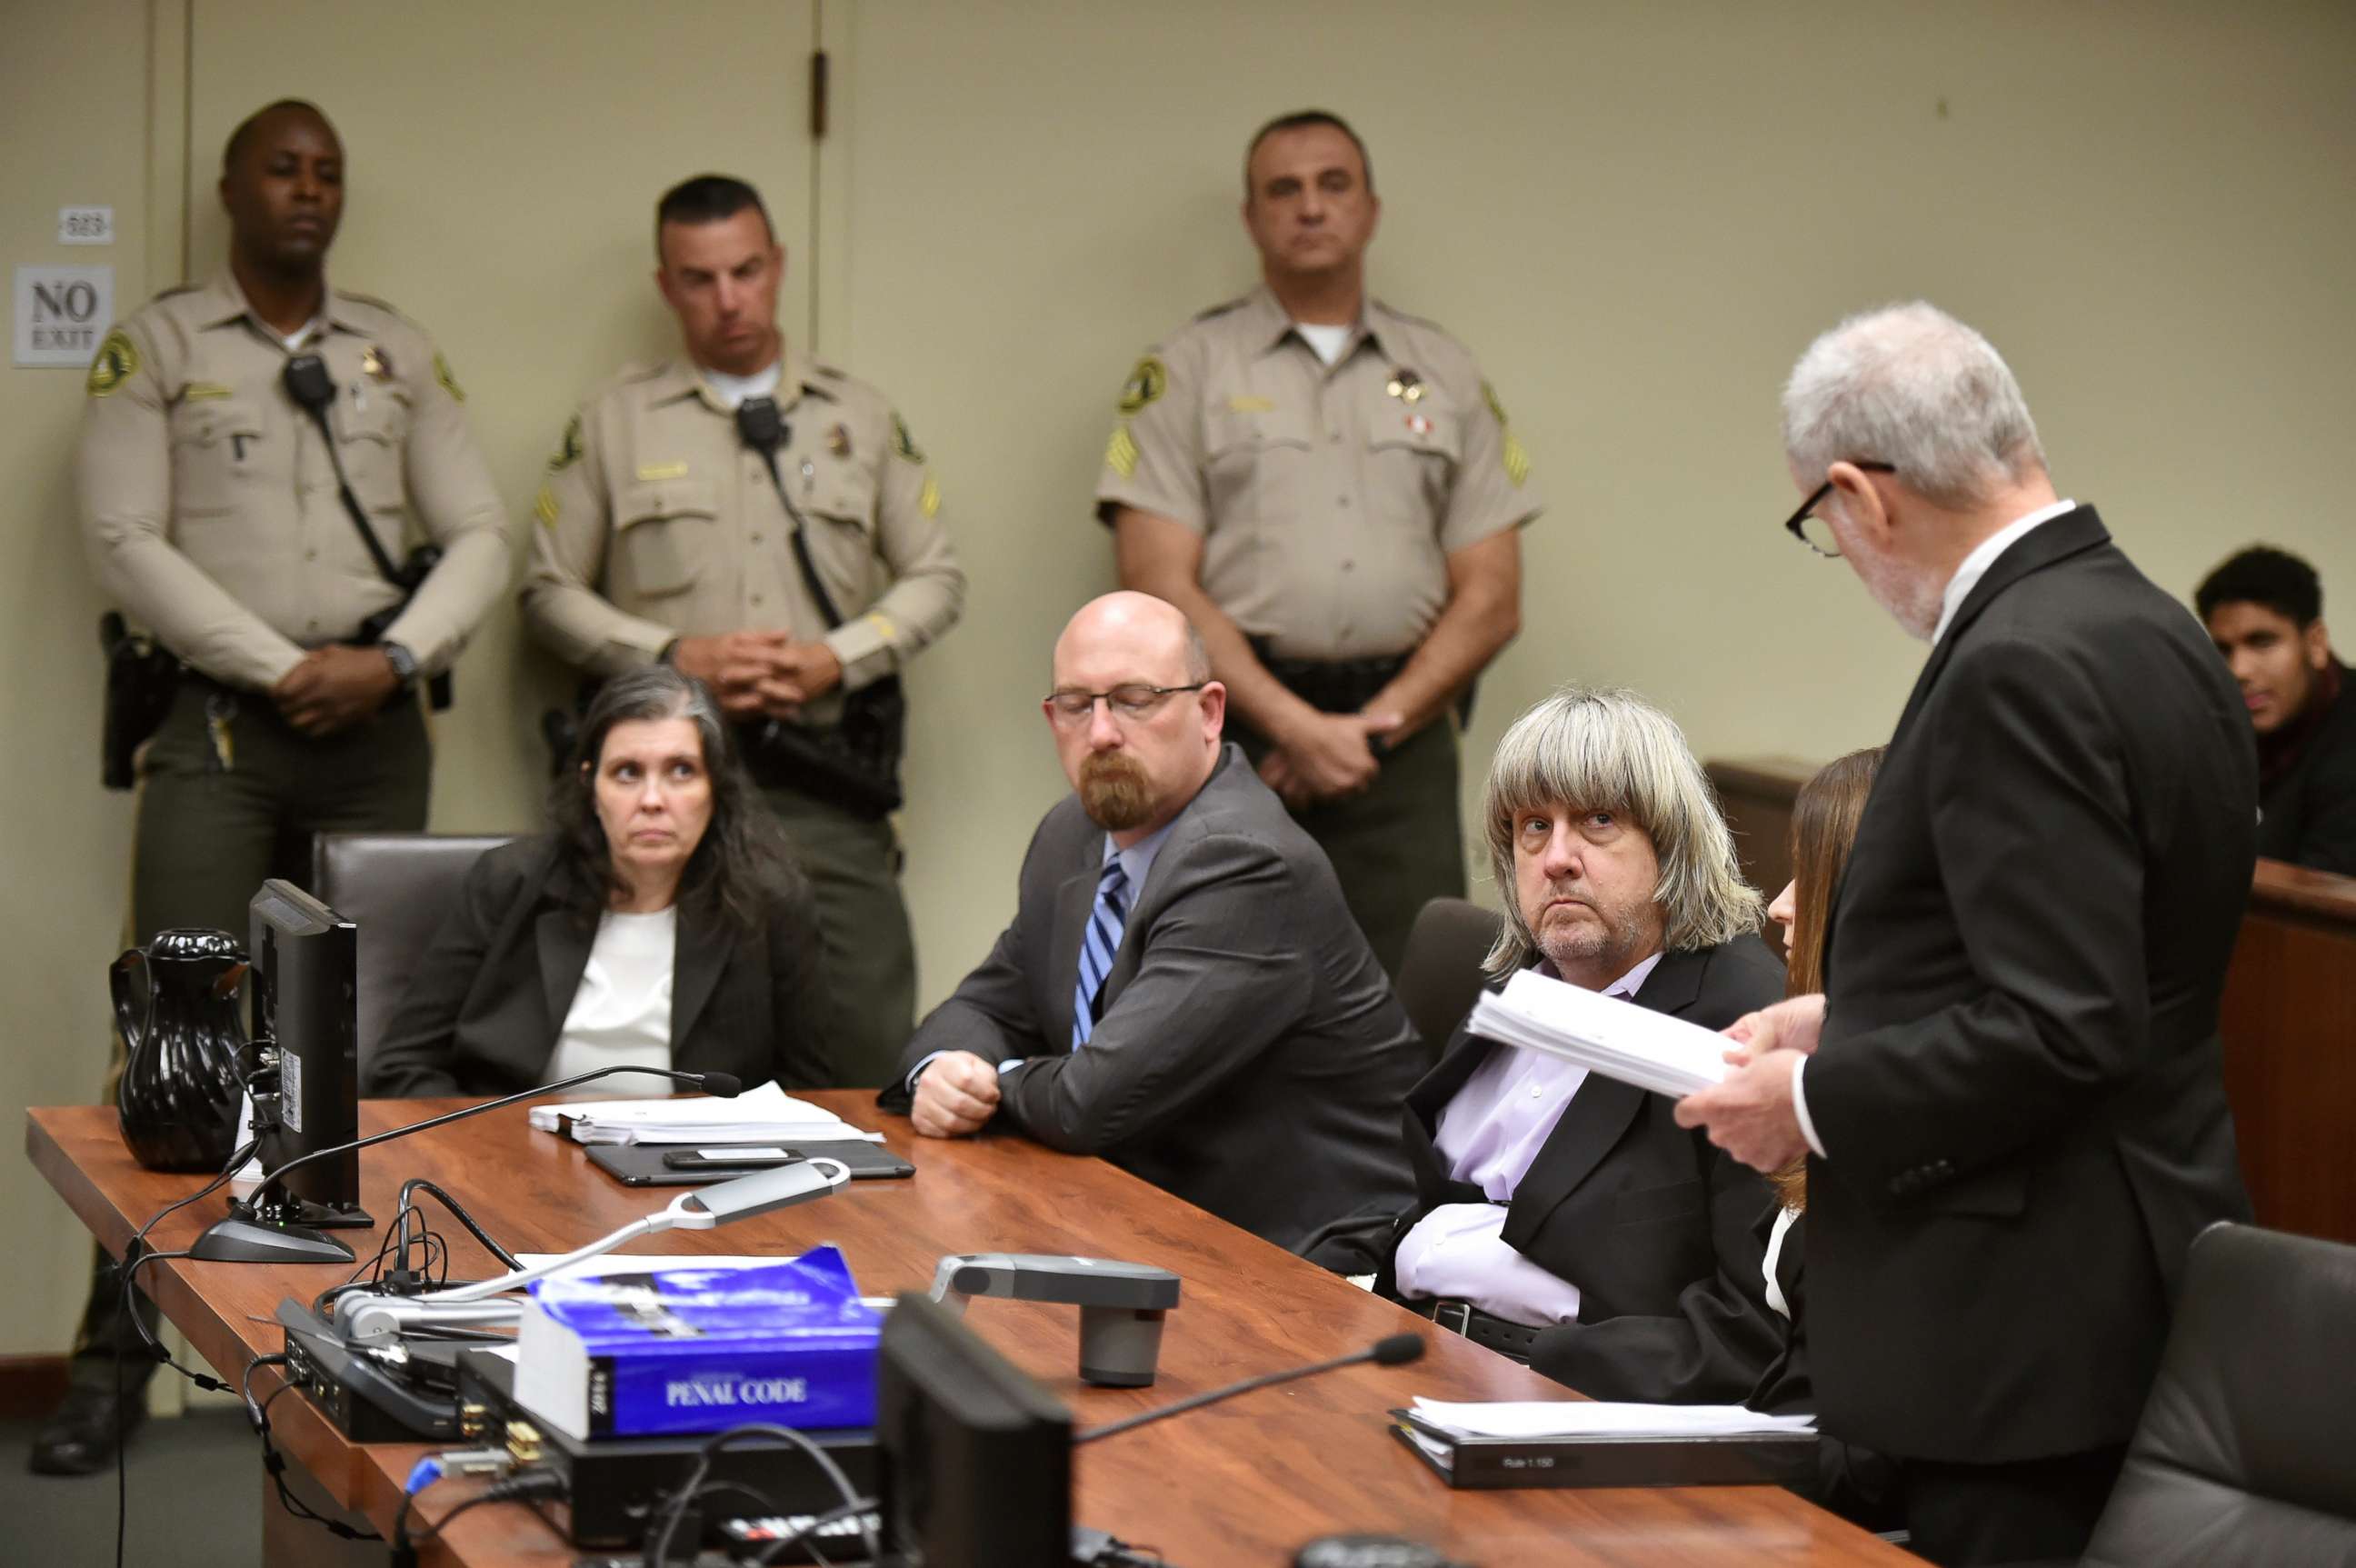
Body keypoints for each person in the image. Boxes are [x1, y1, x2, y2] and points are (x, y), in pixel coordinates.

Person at [1676, 302, 2258, 1566]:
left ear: (1859, 493)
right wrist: (1854, 1011)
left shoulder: (2017, 661)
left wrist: (1816, 1099)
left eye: (1818, 523)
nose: (1839, 545)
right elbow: (2102, 959)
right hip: (2130, 1260)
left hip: (2025, 1322)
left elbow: (2066, 1020)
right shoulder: (2147, 623)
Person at [51, 97, 511, 1475]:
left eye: (328, 173)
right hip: (224, 728)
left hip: (375, 720)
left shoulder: (397, 351)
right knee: (181, 1032)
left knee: (360, 1039)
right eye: (282, 169)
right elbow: (122, 532)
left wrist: (399, 655)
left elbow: (481, 531)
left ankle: (353, 1338)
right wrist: (277, 664)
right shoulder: (163, 346)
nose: (307, 192)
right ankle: (108, 1361)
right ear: (231, 188)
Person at [520, 174, 963, 1088]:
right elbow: (546, 592)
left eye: (747, 271)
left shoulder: (857, 417)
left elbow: (938, 576)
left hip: (816, 771)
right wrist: (672, 659)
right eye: (700, 278)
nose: (729, 300)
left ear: (778, 267)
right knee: (650, 1039)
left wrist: (829, 661)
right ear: (666, 285)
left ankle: (860, 1227)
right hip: (665, 780)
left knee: (865, 1036)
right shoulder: (616, 421)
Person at [1098, 109, 1540, 977]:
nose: (1310, 206)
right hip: (1235, 738)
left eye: (1333, 184)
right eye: (1284, 189)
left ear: (1370, 209)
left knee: (1418, 995)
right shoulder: (1187, 369)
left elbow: (1493, 594)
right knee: (1218, 981)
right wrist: (1294, 727)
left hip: (1400, 747)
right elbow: (1156, 583)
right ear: (1252, 217)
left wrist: (1369, 731)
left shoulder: (1444, 371)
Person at [879, 591, 1422, 1252]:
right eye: (1077, 704)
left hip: (1311, 1258)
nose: (1102, 732)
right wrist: (942, 1068)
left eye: (1135, 698)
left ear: (1209, 712)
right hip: (1150, 1218)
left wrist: (987, 1083)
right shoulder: (1071, 834)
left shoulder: (1244, 862)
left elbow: (1089, 1101)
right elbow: (986, 1004)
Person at [1372, 688, 1786, 1403]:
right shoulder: (1512, 990)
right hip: (1400, 1347)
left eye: (1598, 821)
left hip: (1566, 1403)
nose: (1557, 857)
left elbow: (1752, 1334)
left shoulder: (1744, 1018)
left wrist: (1539, 1360)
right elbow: (1409, 1197)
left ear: (1672, 843)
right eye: (1535, 826)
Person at [368, 666, 829, 1097]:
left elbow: (811, 1093)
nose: (652, 800)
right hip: (513, 1159)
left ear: (716, 788)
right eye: (627, 773)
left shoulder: (770, 901)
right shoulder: (511, 882)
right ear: (591, 787)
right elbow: (402, 1067)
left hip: (697, 1172)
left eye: (681, 771)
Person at [1742, 748, 1901, 1530]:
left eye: (1809, 873)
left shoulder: (1892, 1127)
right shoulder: (1817, 1067)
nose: (1776, 903)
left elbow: (1863, 1459)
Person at [2194, 544, 2354, 874]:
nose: (2239, 670)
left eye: (2262, 642)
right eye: (2223, 649)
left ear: (2315, 643)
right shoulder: (2217, 731)